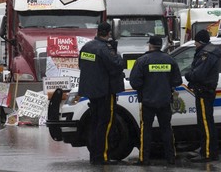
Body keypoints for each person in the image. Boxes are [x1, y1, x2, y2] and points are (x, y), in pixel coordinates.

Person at [129, 35, 182, 166]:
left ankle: (144, 159)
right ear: (161, 45)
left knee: (145, 130)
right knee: (166, 129)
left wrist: (145, 86)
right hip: (165, 101)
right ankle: (170, 158)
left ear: (150, 45)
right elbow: (177, 80)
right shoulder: (170, 60)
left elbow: (134, 82)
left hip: (147, 102)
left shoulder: (142, 61)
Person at [78, 22, 125, 165]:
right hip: (105, 91)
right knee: (106, 124)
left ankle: (94, 155)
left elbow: (81, 65)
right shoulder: (105, 49)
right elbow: (117, 65)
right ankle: (102, 156)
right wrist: (116, 52)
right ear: (108, 33)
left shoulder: (86, 47)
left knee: (95, 123)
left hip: (92, 91)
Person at [185, 29, 221, 163]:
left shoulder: (206, 54)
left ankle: (207, 153)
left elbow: (198, 74)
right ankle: (207, 150)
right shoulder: (209, 52)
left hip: (203, 91)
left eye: (195, 42)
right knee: (206, 122)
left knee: (205, 123)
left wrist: (188, 75)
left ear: (199, 41)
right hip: (204, 90)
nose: (194, 45)